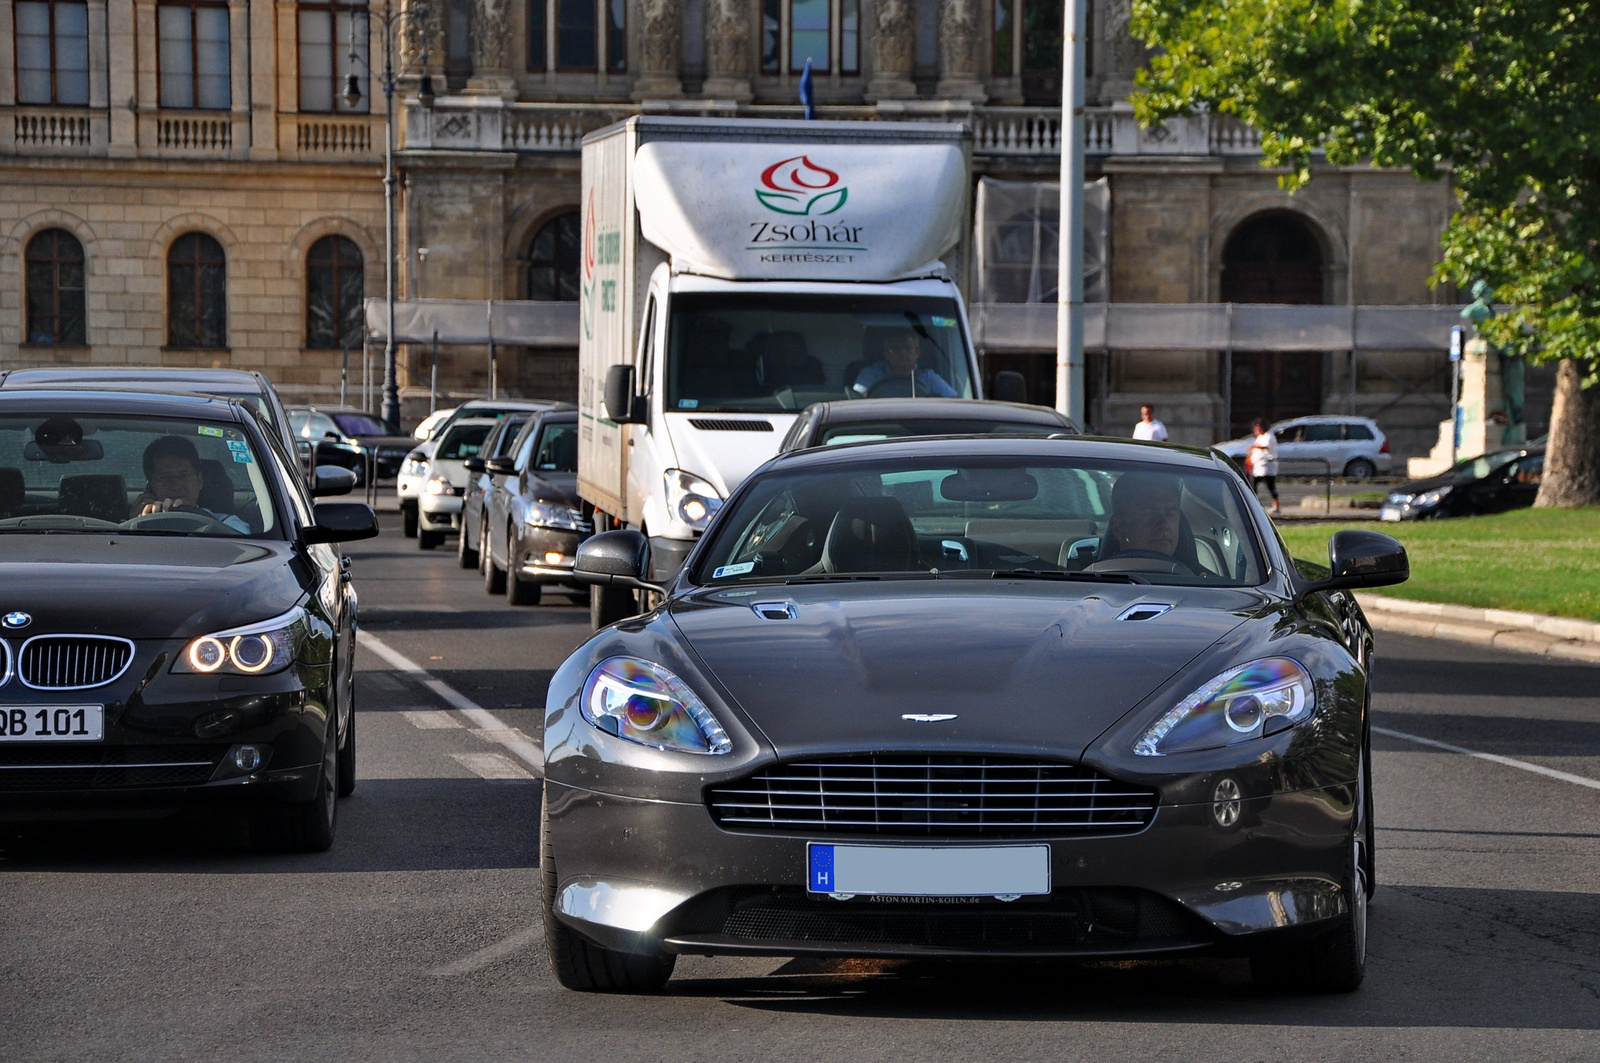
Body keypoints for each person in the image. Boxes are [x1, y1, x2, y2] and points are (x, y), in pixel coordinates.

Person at [136, 435, 250, 533]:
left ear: (199, 481)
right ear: (150, 487)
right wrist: (137, 523)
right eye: (165, 478)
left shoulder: (229, 525)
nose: (176, 486)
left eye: (183, 476)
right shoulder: (137, 523)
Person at [1104, 472, 1185, 560]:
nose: (1164, 524)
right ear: (1118, 527)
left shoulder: (1195, 573)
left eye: (1170, 514)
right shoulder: (1093, 573)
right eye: (1150, 513)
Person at [851, 330, 957, 398]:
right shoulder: (871, 374)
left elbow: (954, 402)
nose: (902, 353)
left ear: (917, 352)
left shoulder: (928, 378)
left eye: (907, 348)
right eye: (895, 349)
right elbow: (857, 399)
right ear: (886, 353)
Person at [1247, 418, 1280, 513]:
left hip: (1267, 465)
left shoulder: (1269, 436)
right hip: (1258, 466)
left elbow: (1266, 446)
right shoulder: (1259, 438)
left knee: (1270, 486)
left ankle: (1276, 505)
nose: (1257, 430)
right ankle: (1254, 504)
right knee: (1253, 485)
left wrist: (1254, 447)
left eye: (1259, 428)